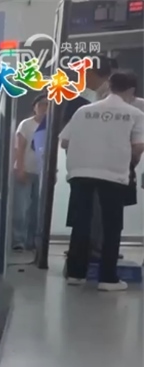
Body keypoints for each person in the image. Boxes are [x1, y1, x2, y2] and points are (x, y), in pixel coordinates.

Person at [60, 71, 144, 292]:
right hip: (113, 174)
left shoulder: (83, 111)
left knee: (81, 223)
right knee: (111, 226)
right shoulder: (134, 113)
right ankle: (108, 278)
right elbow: (138, 147)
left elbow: (65, 142)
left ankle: (76, 274)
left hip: (80, 172)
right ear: (131, 91)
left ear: (109, 85)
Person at [13, 95, 47, 252]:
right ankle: (18, 240)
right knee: (21, 208)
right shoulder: (26, 124)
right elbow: (19, 148)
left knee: (37, 211)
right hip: (25, 170)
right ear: (35, 107)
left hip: (42, 173)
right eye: (41, 104)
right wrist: (20, 168)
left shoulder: (50, 125)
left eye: (48, 105)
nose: (44, 108)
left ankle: (32, 241)